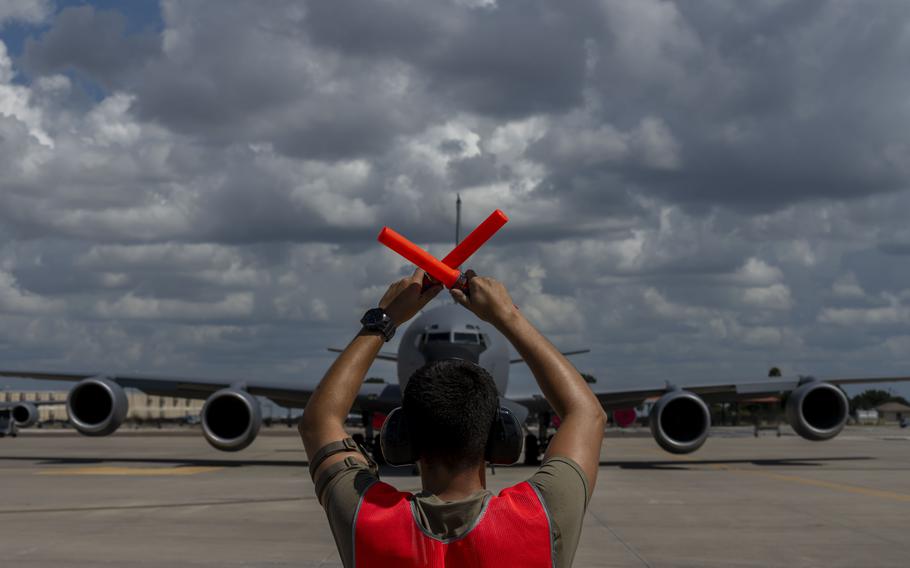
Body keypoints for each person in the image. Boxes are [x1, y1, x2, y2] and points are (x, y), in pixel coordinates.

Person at [299, 268, 606, 567]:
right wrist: (507, 315)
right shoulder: (542, 514)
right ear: (502, 436)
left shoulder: (366, 518)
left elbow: (319, 421)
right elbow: (587, 414)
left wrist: (383, 320)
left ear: (401, 436)